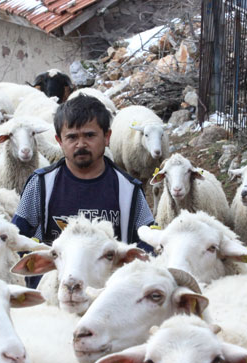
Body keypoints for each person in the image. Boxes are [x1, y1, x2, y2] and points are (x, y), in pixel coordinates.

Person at [12, 94, 154, 255]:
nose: (81, 144)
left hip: (109, 278)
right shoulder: (41, 184)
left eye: (89, 135)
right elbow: (17, 237)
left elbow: (148, 244)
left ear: (107, 137)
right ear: (59, 141)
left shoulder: (128, 188)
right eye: (72, 137)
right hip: (54, 278)